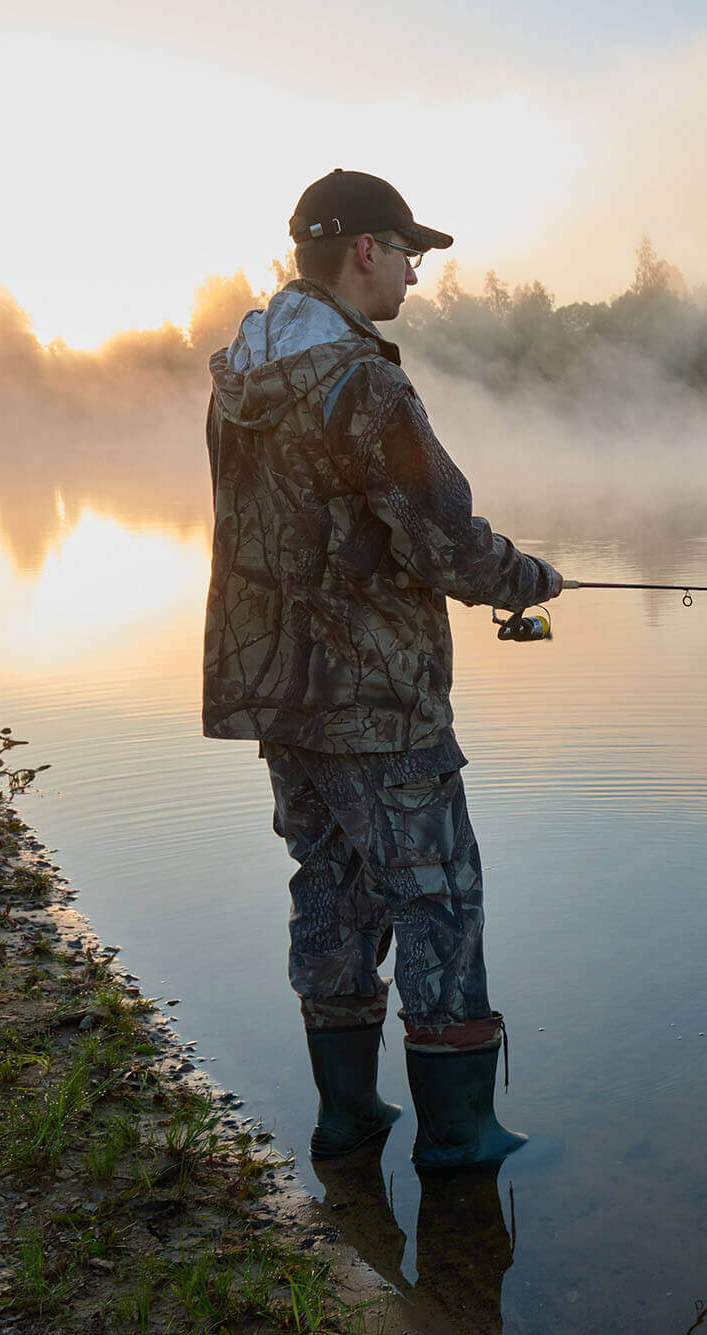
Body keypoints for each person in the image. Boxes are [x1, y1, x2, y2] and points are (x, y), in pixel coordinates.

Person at [202, 168, 559, 1171]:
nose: (412, 272)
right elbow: (446, 542)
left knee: (329, 890)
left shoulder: (240, 376)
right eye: (407, 252)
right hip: (378, 701)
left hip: (279, 692)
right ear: (364, 249)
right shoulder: (366, 384)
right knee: (437, 898)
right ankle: (459, 1136)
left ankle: (347, 1117)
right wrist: (527, 578)